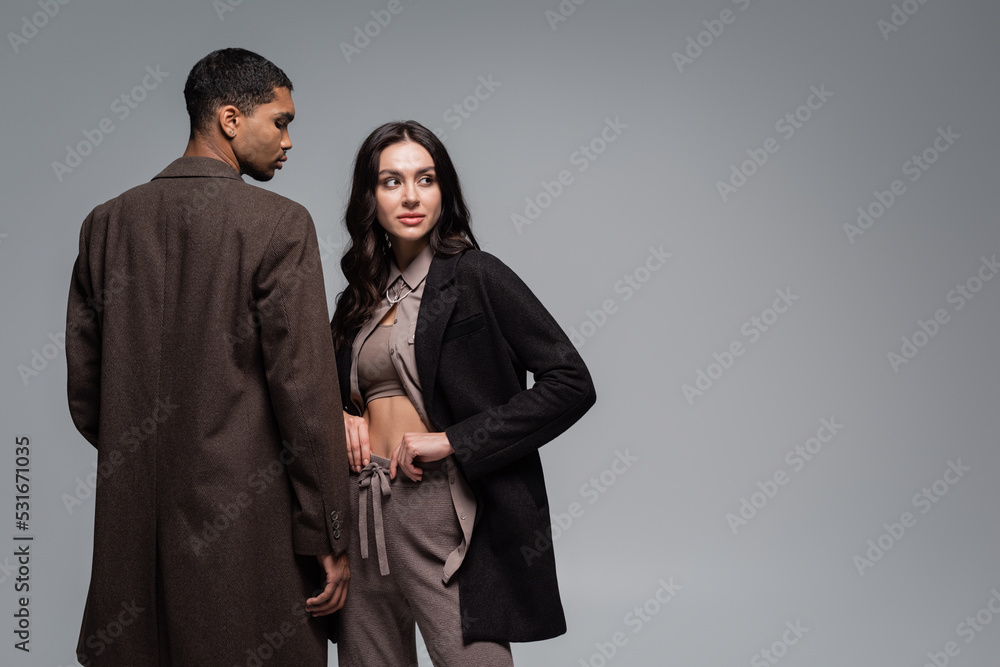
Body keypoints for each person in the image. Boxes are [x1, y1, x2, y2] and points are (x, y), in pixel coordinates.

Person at [65, 48, 351, 666]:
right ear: (228, 119)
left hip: (132, 532)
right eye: (280, 121)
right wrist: (328, 528)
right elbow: (304, 392)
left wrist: (149, 457)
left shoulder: (105, 225)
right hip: (249, 538)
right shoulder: (279, 224)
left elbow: (87, 394)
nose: (289, 140)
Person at [329, 120, 598, 665]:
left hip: (441, 505)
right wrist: (337, 416)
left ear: (444, 191)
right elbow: (330, 395)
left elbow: (571, 381)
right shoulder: (356, 299)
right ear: (369, 197)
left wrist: (453, 440)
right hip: (361, 505)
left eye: (425, 179)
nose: (410, 196)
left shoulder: (476, 275)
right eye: (391, 181)